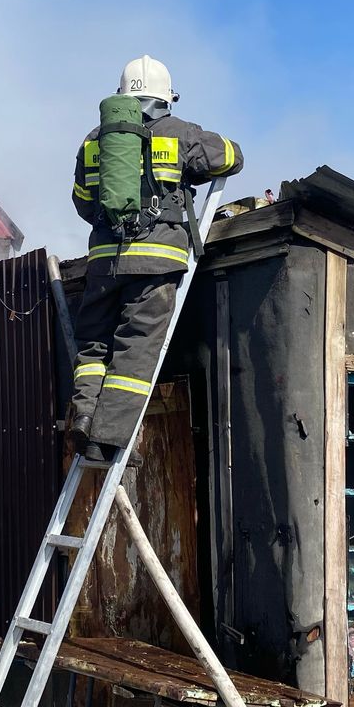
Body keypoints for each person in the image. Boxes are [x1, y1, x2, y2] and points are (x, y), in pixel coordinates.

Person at [68, 55, 245, 462]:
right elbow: (233, 157)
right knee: (135, 349)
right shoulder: (180, 133)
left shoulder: (93, 141)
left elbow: (82, 202)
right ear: (167, 96)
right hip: (155, 260)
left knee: (93, 346)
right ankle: (108, 438)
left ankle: (84, 419)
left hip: (103, 262)